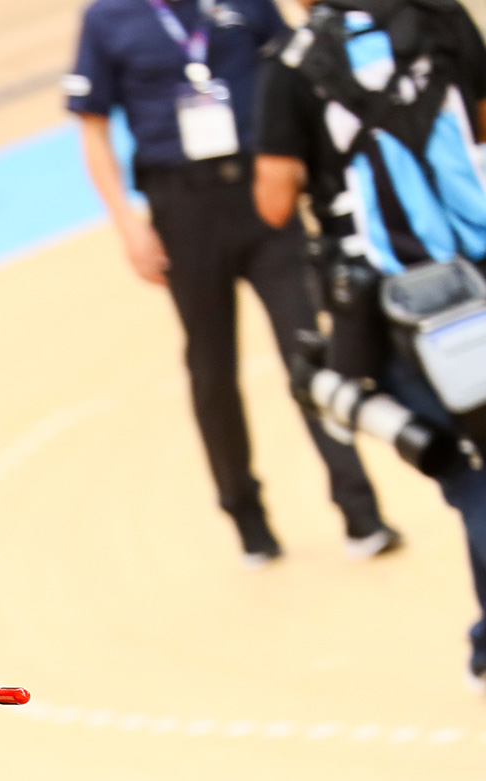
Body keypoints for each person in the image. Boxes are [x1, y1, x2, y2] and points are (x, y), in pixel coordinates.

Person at [69, 0, 401, 565]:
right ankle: (247, 518)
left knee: (313, 353)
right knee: (212, 367)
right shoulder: (107, 18)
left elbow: (296, 74)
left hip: (264, 197)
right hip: (182, 211)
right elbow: (93, 127)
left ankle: (361, 511)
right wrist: (127, 224)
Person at [255, 0, 486, 687]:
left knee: (469, 474)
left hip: (394, 307)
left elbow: (273, 200)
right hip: (477, 271)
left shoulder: (293, 67)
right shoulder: (442, 17)